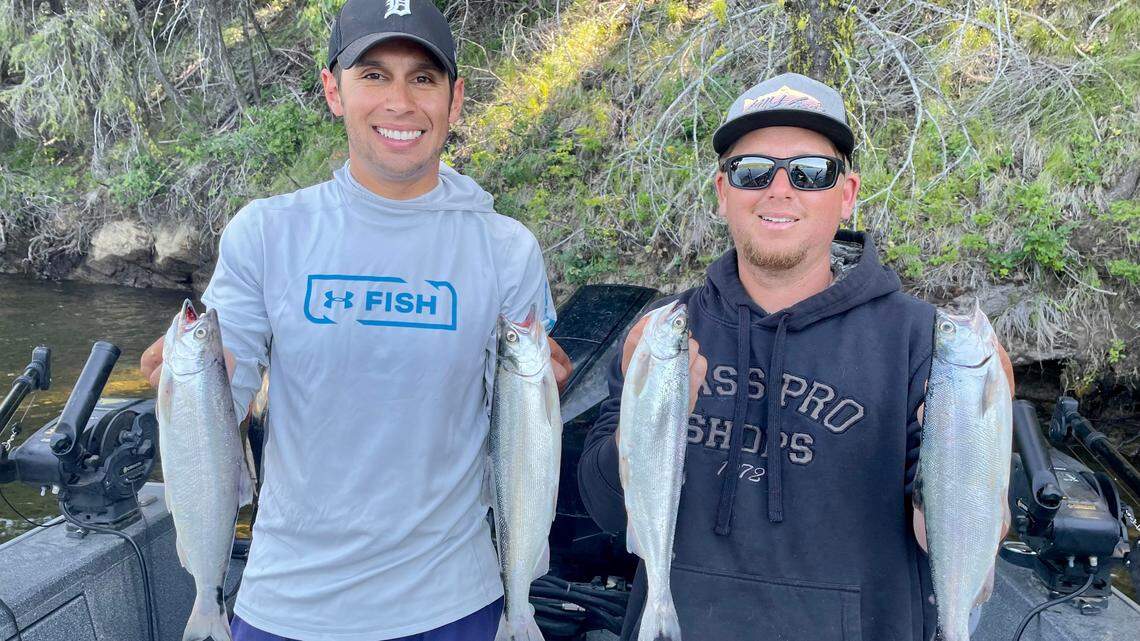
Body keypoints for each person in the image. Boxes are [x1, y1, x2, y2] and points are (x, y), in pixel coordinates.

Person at [140, 1, 571, 639]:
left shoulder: (507, 249)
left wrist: (544, 392)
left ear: (454, 100)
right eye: (373, 75)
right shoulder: (266, 232)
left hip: (455, 604)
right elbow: (222, 404)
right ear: (333, 90)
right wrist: (191, 388)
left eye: (423, 78)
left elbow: (516, 431)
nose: (400, 102)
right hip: (286, 605)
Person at [577, 72, 1014, 641]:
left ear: (847, 194)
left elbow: (948, 539)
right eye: (752, 171)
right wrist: (647, 419)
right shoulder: (663, 332)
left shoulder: (923, 343)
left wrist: (979, 446)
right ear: (722, 192)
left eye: (810, 172)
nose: (780, 189)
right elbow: (606, 512)